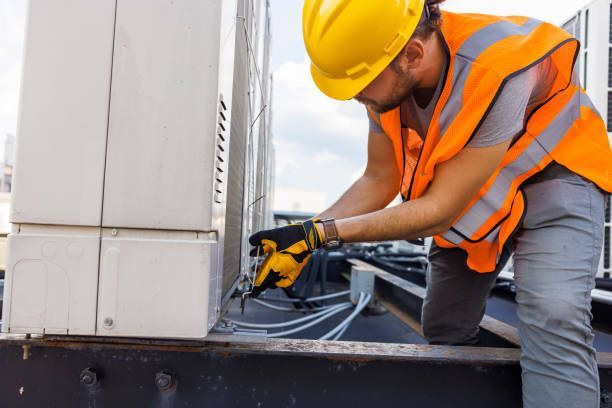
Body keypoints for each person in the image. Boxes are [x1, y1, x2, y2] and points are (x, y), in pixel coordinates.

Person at [248, 1, 612, 406]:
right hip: (477, 189)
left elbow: (440, 210)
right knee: (445, 324)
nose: (355, 96)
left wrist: (325, 234)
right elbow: (378, 179)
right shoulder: (387, 82)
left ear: (413, 55)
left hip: (555, 174)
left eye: (361, 83)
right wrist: (302, 234)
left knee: (554, 314)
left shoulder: (498, 67)